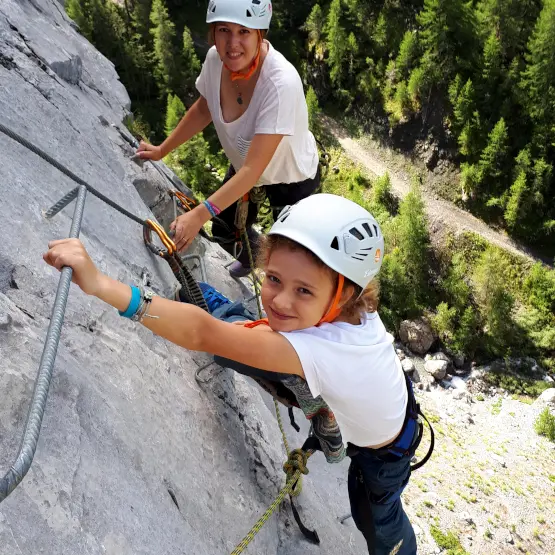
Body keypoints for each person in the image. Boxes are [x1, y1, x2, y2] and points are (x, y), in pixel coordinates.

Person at [43, 194, 418, 554]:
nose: (280, 300)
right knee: (241, 342)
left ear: (345, 294)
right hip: (383, 407)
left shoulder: (323, 352)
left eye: (304, 290)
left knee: (375, 519)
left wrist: (102, 285)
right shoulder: (353, 308)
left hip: (384, 454)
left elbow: (202, 333)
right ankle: (222, 310)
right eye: (274, 278)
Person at [137, 0, 321, 278]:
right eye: (224, 29)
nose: (233, 43)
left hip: (291, 176)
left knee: (291, 256)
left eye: (244, 31)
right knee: (224, 229)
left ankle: (274, 267)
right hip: (246, 163)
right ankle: (252, 256)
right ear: (213, 32)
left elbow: (253, 171)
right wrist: (163, 149)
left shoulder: (280, 84)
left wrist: (198, 215)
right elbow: (204, 108)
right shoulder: (215, 60)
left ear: (260, 34)